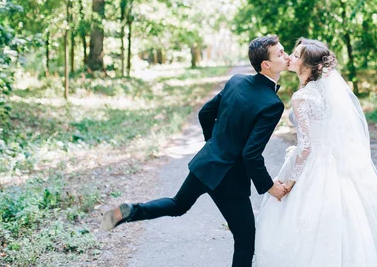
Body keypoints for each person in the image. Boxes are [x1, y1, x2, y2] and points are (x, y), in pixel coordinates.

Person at [101, 35, 290, 267]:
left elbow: (205, 114)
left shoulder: (236, 81)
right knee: (245, 241)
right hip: (229, 179)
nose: (287, 55)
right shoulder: (272, 104)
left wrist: (215, 146)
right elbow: (250, 154)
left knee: (177, 204)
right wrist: (270, 186)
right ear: (266, 64)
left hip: (206, 163)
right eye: (281, 53)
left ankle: (131, 211)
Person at [254, 38, 377, 267]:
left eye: (296, 55)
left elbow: (306, 146)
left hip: (312, 166)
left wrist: (291, 182)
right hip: (335, 161)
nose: (290, 58)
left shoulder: (301, 97)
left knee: (304, 226)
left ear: (308, 65)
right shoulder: (327, 93)